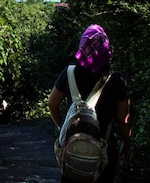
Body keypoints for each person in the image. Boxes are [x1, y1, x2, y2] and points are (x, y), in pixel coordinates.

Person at [49, 24, 132, 183]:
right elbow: (124, 120)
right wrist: (127, 146)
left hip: (72, 146)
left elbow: (52, 105)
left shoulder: (69, 73)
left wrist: (62, 126)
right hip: (104, 149)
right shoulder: (117, 80)